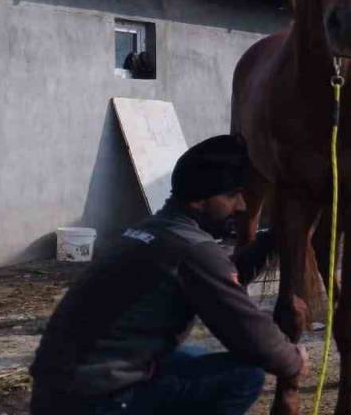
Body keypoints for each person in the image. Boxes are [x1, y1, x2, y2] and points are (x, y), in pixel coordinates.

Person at [29, 135, 307, 414]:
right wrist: (293, 360)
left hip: (57, 392)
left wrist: (269, 241)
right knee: (244, 376)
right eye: (232, 195)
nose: (242, 206)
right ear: (200, 201)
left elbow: (219, 279)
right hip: (96, 401)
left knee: (193, 356)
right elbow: (251, 336)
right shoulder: (192, 249)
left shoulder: (157, 230)